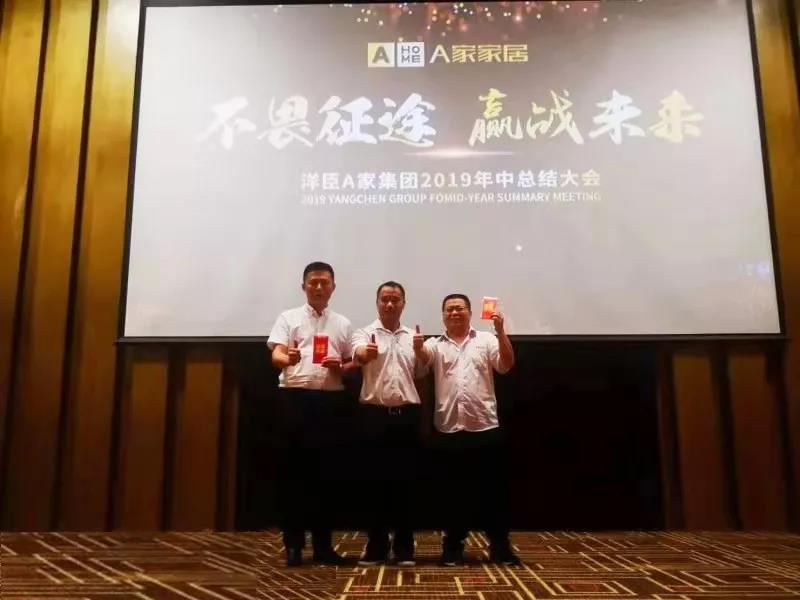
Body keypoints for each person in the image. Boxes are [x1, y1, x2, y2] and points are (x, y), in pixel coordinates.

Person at [414, 293, 521, 566]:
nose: (454, 313)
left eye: (459, 308)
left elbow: (506, 365)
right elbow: (423, 361)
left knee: (493, 493)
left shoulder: (486, 340)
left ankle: (500, 547)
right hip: (449, 429)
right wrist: (417, 349)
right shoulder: (435, 344)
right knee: (452, 495)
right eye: (449, 309)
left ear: (470, 313)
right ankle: (453, 547)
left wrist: (501, 332)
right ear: (443, 316)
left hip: (484, 427)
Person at [268, 261, 353, 567]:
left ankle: (323, 547)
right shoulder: (288, 318)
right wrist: (286, 358)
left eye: (324, 282)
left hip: (330, 404)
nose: (318, 287)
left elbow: (351, 364)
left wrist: (340, 367)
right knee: (293, 476)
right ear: (303, 286)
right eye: (313, 282)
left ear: (333, 287)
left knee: (326, 477)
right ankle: (293, 546)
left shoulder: (342, 323)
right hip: (295, 401)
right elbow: (276, 353)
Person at [351, 281, 424, 567]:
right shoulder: (363, 333)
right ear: (377, 302)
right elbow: (359, 354)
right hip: (374, 417)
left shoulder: (413, 337)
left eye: (395, 299)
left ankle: (404, 547)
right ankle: (376, 546)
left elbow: (420, 372)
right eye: (385, 299)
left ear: (404, 303)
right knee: (374, 484)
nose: (390, 304)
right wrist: (365, 354)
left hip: (407, 417)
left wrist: (421, 351)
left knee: (406, 483)